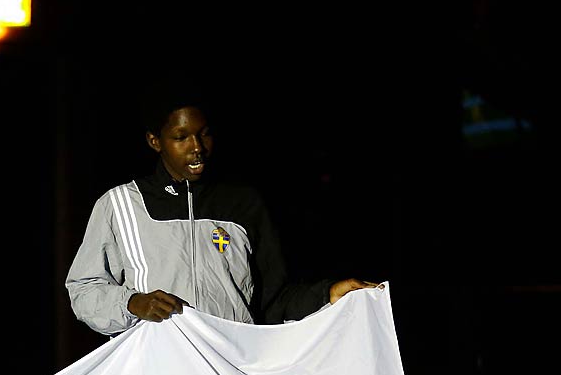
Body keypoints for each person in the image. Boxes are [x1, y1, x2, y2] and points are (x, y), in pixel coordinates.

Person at [65, 100, 380, 334]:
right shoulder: (120, 204)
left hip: (230, 369)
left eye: (204, 134)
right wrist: (132, 303)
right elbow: (84, 290)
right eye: (181, 137)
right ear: (155, 141)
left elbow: (272, 300)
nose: (197, 148)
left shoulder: (242, 203)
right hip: (155, 373)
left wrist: (328, 295)